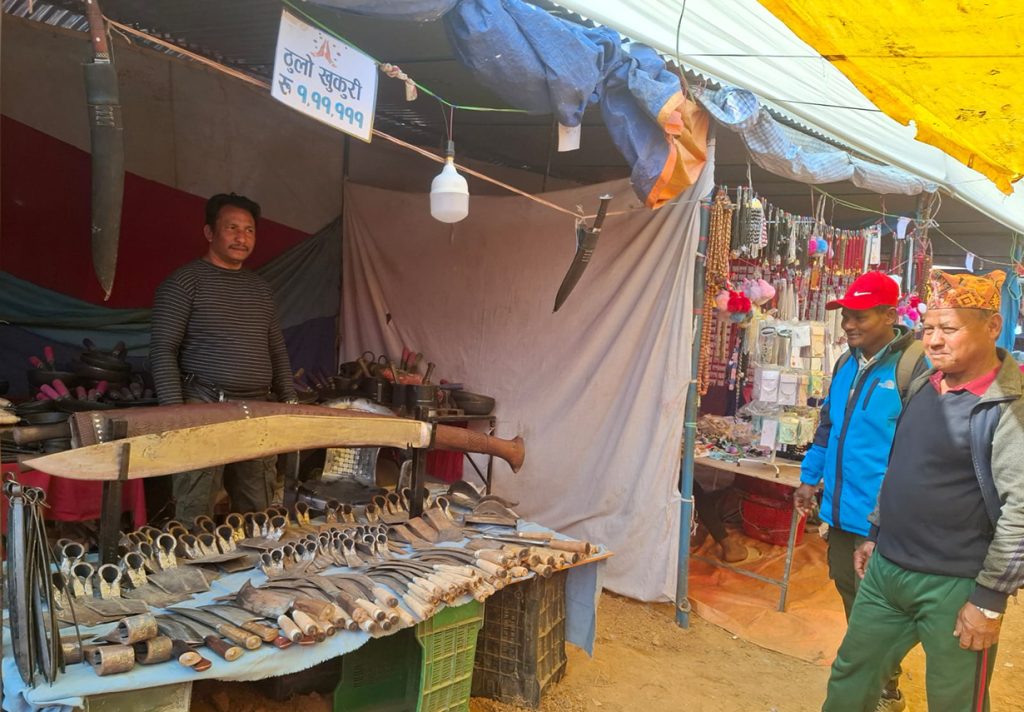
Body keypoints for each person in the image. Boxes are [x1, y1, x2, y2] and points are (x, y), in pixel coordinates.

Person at [822, 269, 1024, 712]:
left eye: (948, 329)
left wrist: (989, 600)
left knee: (955, 701)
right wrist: (876, 531)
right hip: (886, 572)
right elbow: (900, 465)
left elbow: (1021, 513)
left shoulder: (1009, 407)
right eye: (928, 328)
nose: (933, 340)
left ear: (992, 326)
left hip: (955, 584)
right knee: (850, 677)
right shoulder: (924, 384)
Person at [794, 270, 925, 712]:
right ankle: (878, 678)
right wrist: (810, 478)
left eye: (860, 316)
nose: (849, 324)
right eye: (846, 315)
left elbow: (921, 448)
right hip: (840, 511)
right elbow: (828, 426)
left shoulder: (915, 367)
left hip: (885, 519)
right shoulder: (844, 363)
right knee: (851, 594)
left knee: (881, 606)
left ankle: (880, 686)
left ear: (890, 315)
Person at [150, 193, 297, 522]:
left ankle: (255, 554)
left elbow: (276, 349)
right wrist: (175, 414)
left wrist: (289, 400)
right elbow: (162, 350)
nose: (241, 237)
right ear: (209, 232)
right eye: (232, 228)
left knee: (258, 509)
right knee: (195, 510)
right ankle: (192, 554)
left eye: (249, 230)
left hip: (257, 409)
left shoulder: (261, 290)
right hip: (203, 405)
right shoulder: (184, 283)